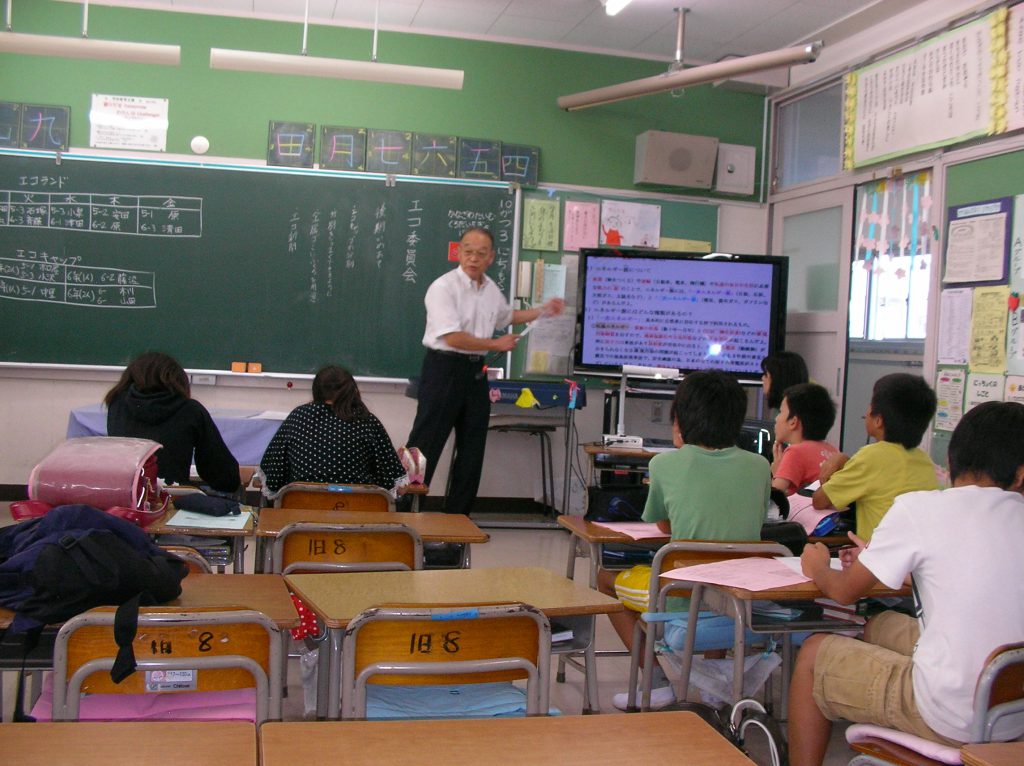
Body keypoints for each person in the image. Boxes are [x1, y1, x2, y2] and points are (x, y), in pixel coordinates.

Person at [787, 401, 1024, 766]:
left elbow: (844, 591)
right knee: (879, 625)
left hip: (951, 714)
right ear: (1020, 474)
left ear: (955, 455)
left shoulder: (920, 508)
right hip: (1014, 710)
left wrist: (818, 566)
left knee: (814, 653)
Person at [597, 370, 771, 710]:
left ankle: (658, 680)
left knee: (603, 579)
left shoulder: (665, 464)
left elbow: (664, 524)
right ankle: (712, 682)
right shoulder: (760, 466)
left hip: (678, 597)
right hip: (742, 600)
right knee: (720, 569)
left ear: (681, 419)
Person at [406, 227, 563, 515]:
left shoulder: (490, 289)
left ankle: (457, 521)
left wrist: (542, 310)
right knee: (423, 445)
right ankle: (404, 514)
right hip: (444, 368)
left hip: (475, 373)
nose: (473, 258)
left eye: (480, 253)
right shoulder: (443, 287)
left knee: (472, 449)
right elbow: (452, 336)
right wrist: (496, 343)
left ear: (490, 257)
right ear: (459, 252)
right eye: (468, 251)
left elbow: (507, 316)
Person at [812, 373, 938, 541]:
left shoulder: (871, 456)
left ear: (878, 420)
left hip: (877, 560)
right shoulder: (925, 461)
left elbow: (819, 500)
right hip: (915, 560)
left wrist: (838, 460)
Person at [105, 351, 240, 493]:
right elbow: (225, 478)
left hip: (124, 498)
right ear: (177, 378)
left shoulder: (117, 405)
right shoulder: (190, 410)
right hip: (173, 499)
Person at [260, 365, 406, 495]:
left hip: (301, 515)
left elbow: (273, 476)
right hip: (359, 515)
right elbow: (391, 478)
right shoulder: (366, 420)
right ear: (352, 390)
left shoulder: (298, 417)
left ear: (316, 390)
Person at [771, 382, 838, 495]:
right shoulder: (833, 451)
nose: (776, 418)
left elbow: (775, 498)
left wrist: (777, 473)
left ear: (793, 421)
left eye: (781, 412)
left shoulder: (795, 452)